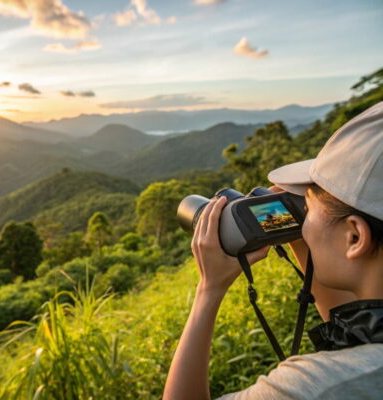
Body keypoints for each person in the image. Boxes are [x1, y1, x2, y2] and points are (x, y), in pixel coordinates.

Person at [163, 101, 383, 400]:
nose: (304, 217)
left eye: (310, 205)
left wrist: (209, 288)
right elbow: (355, 341)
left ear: (355, 236)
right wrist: (305, 233)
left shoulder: (319, 386)